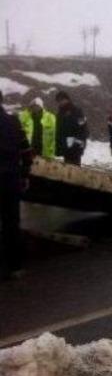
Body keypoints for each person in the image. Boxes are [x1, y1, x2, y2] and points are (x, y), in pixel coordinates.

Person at [0, 90, 34, 280]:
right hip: (10, 180)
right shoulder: (14, 122)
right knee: (11, 223)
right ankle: (15, 267)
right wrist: (25, 174)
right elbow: (26, 151)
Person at [54, 91, 88, 165]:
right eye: (58, 101)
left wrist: (80, 143)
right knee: (67, 166)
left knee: (75, 167)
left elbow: (83, 128)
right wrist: (58, 146)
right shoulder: (60, 114)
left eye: (62, 99)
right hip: (65, 146)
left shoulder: (77, 111)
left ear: (67, 99)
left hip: (75, 145)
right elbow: (59, 131)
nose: (60, 102)